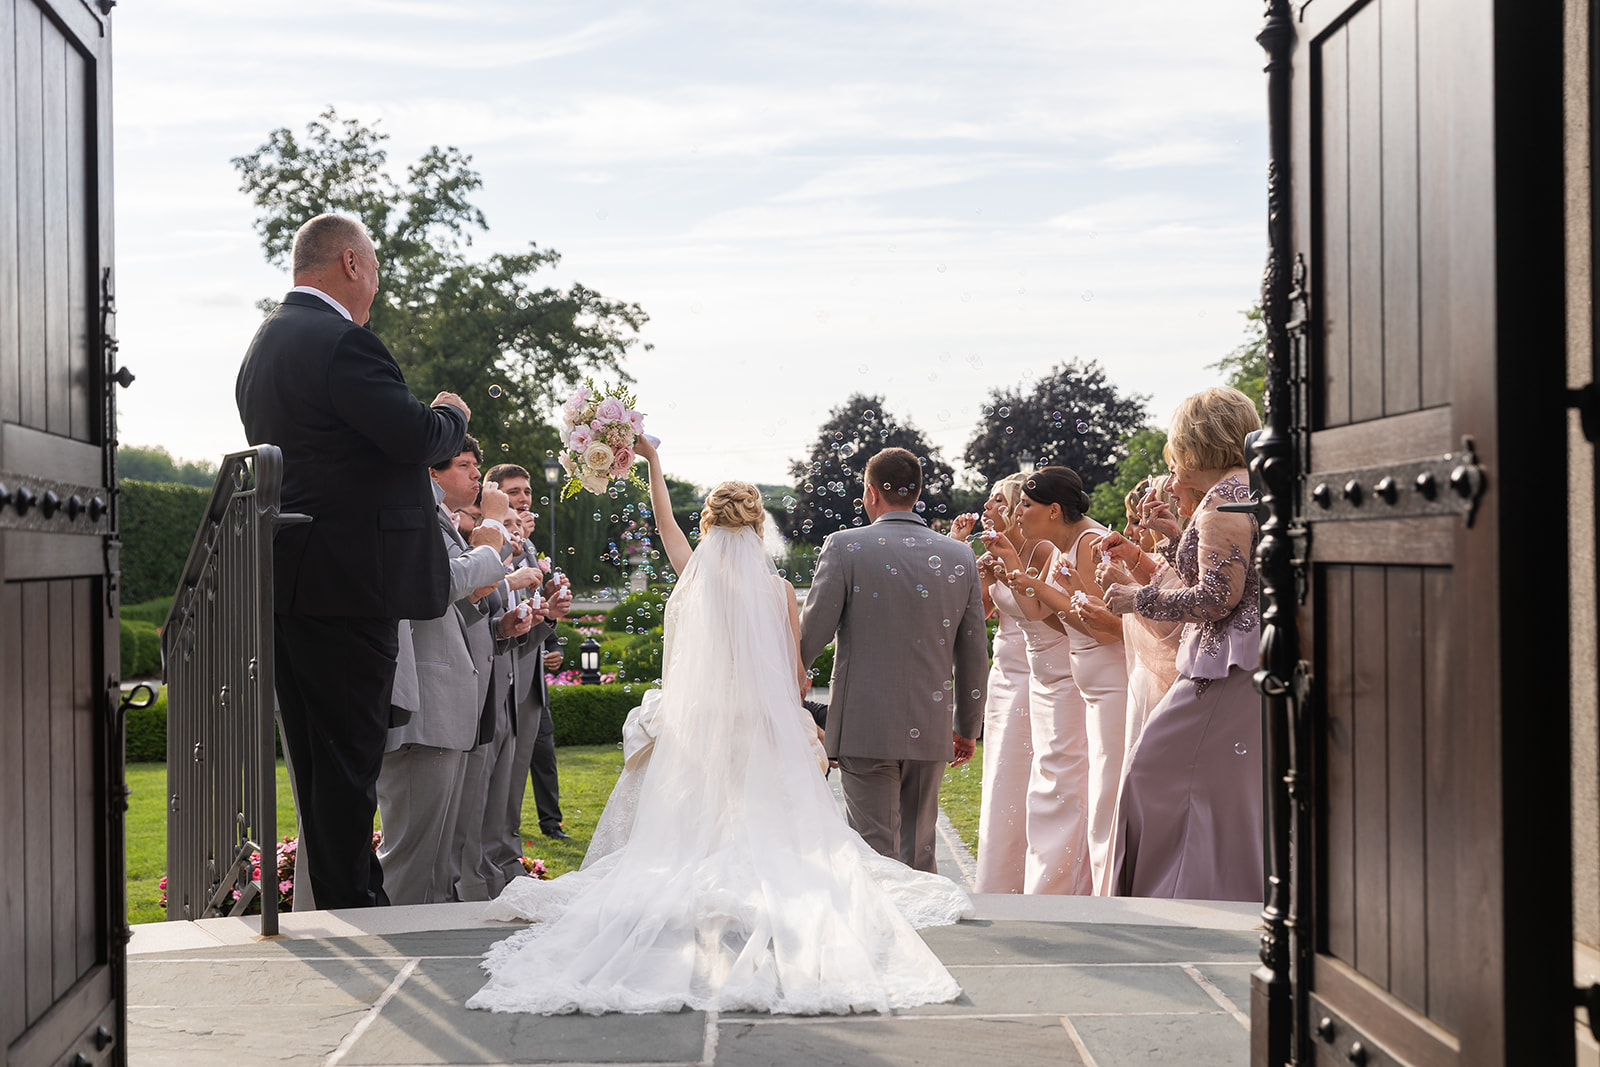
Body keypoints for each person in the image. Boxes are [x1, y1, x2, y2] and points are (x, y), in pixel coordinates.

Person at [468, 437, 973, 1016]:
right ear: (759, 530)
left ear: (707, 527)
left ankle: (704, 894)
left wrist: (653, 464)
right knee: (765, 825)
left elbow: (664, 528)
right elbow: (793, 678)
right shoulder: (781, 591)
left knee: (701, 822)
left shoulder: (694, 578)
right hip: (761, 727)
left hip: (701, 727)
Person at [235, 213, 470, 910]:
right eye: (374, 268)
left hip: (291, 581)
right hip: (347, 583)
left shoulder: (265, 344)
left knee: (320, 765)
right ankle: (352, 909)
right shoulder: (342, 342)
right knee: (349, 761)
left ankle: (346, 900)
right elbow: (415, 435)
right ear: (350, 263)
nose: (376, 285)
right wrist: (450, 411)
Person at [1098, 387, 1264, 901]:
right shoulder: (1249, 488)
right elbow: (1231, 574)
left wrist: (1136, 598)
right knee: (1223, 788)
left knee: (1151, 771)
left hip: (1226, 668)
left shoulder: (1223, 503)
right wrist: (1174, 539)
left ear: (1193, 443)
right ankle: (1214, 890)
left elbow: (1217, 597)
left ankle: (1180, 896)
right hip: (1243, 661)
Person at [800, 447, 988, 874]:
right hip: (932, 721)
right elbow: (975, 651)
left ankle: (882, 938)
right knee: (920, 853)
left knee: (872, 853)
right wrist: (967, 726)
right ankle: (927, 936)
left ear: (870, 493)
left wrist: (784, 683)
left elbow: (811, 635)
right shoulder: (960, 556)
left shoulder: (844, 547)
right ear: (917, 493)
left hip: (864, 725)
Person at [378, 437, 533, 904]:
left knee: (436, 854)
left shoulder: (442, 522)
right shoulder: (422, 521)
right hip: (426, 704)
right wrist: (489, 525)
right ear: (431, 474)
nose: (474, 475)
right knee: (412, 853)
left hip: (451, 703)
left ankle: (424, 936)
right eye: (463, 465)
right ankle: (401, 940)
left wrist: (505, 624)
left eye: (474, 465)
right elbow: (439, 587)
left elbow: (461, 608)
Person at [990, 467, 1130, 896]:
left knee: (1102, 793)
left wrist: (1044, 589)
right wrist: (1021, 574)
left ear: (1053, 511)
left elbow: (1105, 630)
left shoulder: (1089, 544)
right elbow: (1048, 619)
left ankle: (1102, 895)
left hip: (1109, 687)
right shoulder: (1064, 544)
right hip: (1089, 687)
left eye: (1025, 505)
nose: (1017, 512)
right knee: (1080, 789)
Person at [949, 475, 1033, 894]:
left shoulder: (1039, 553)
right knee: (1003, 778)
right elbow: (973, 617)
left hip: (1039, 674)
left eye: (997, 500)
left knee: (1033, 777)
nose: (987, 506)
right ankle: (1005, 880)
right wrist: (962, 554)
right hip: (1004, 675)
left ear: (1019, 507)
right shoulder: (989, 556)